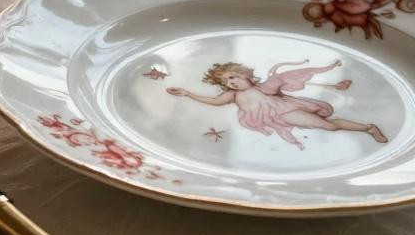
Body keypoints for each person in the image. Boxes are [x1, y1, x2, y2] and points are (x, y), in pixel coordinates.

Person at [166, 59, 388, 149]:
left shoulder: (264, 88)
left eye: (233, 77)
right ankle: (368, 128)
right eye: (225, 82)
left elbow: (298, 77)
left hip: (286, 111)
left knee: (329, 126)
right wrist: (187, 93)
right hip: (278, 118)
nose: (230, 83)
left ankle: (368, 128)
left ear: (246, 76)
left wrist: (331, 83)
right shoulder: (232, 96)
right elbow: (213, 101)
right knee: (328, 125)